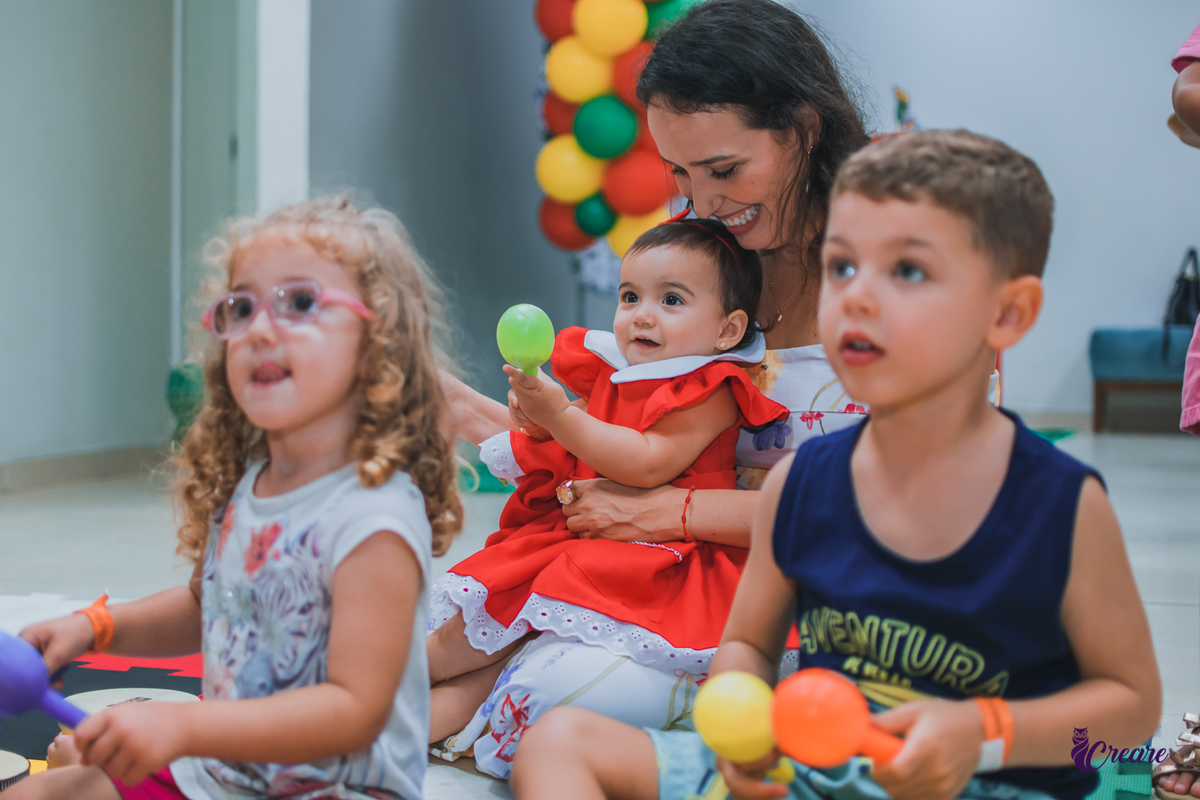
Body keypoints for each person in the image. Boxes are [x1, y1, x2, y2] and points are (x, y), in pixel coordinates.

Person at [510, 130, 1162, 800]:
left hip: (985, 783)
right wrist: (744, 719)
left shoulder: (1059, 504)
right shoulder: (805, 483)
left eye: (907, 271)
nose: (857, 296)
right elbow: (749, 649)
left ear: (1006, 312)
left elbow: (1130, 715)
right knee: (558, 745)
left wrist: (985, 733)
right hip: (819, 774)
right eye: (843, 267)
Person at [433, 0, 875, 776]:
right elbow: (625, 428)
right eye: (679, 172)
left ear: (804, 130)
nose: (702, 203)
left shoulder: (886, 288)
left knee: (548, 694)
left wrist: (676, 510)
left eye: (725, 169)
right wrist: (485, 416)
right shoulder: (708, 267)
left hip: (817, 615)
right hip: (664, 578)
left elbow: (890, 518)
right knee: (442, 627)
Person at [2, 199, 461, 800]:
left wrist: (183, 724)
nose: (261, 329)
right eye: (240, 308)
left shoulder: (374, 517)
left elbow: (355, 710)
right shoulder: (250, 485)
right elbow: (208, 606)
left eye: (300, 303)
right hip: (222, 774)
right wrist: (95, 627)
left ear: (379, 342)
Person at [428, 219, 789, 741]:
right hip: (593, 538)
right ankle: (375, 716)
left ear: (727, 331)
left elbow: (647, 462)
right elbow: (577, 441)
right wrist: (540, 418)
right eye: (629, 296)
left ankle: (379, 702)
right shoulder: (619, 372)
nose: (642, 314)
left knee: (489, 656)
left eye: (671, 300)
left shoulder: (712, 388)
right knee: (482, 630)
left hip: (655, 556)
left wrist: (562, 419)